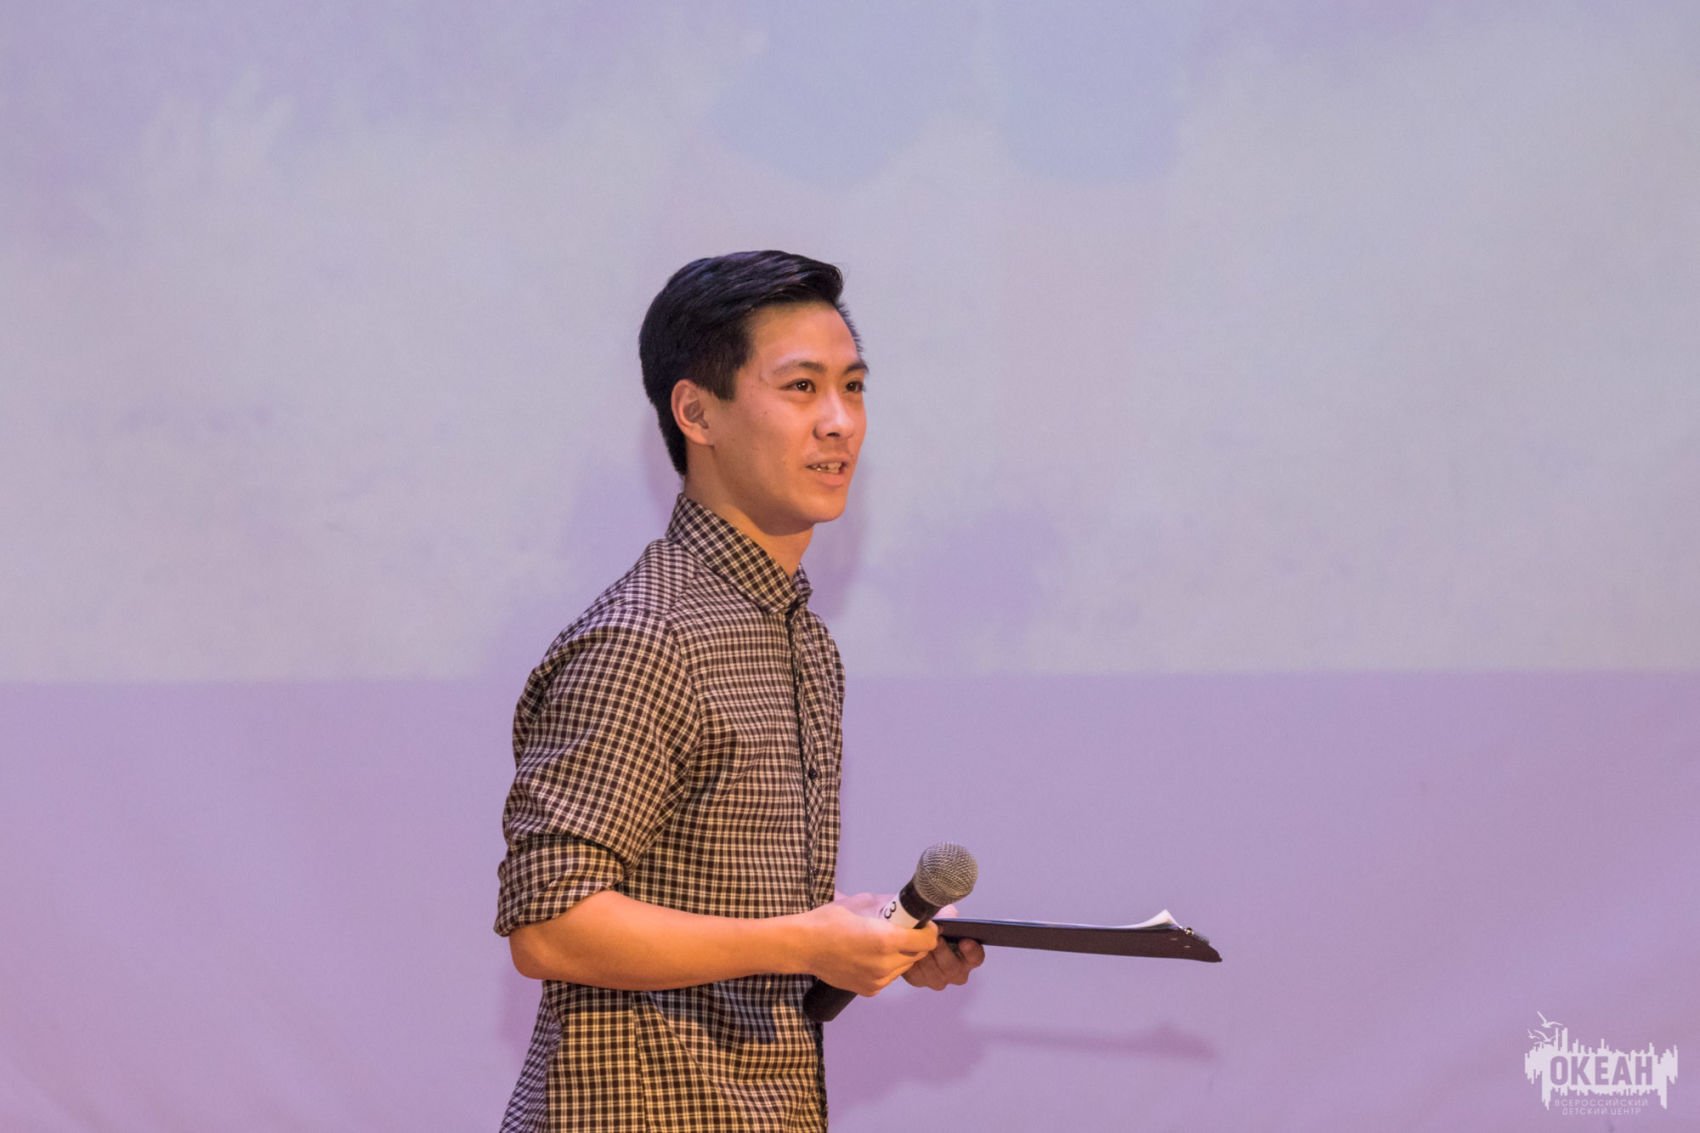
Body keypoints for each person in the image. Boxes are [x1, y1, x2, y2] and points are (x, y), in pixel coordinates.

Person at [494, 250, 984, 1131]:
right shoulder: (646, 635)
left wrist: (861, 939)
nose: (839, 421)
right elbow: (550, 924)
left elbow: (729, 919)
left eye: (854, 387)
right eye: (801, 388)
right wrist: (806, 939)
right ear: (697, 412)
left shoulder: (799, 639)